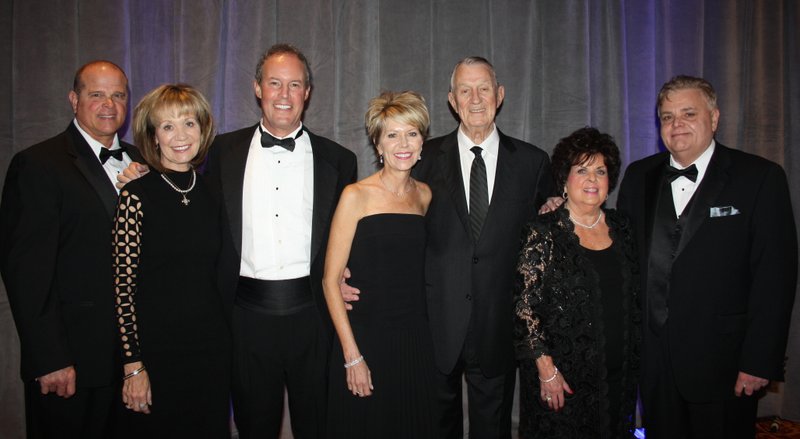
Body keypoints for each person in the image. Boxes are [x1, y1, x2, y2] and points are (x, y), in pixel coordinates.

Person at [344, 56, 552, 437]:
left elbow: (550, 234)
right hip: (431, 327)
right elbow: (384, 230)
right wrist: (344, 271)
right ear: (452, 101)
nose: (475, 99)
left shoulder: (533, 163)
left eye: (484, 89)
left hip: (497, 328)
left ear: (500, 95)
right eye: (465, 90)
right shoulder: (419, 160)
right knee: (434, 428)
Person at [616, 75, 797, 439]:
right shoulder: (639, 176)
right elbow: (621, 251)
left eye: (688, 113)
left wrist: (759, 360)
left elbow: (775, 279)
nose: (676, 124)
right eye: (667, 117)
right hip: (655, 364)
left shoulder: (760, 178)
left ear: (714, 118)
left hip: (725, 364)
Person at [0, 60, 141, 438]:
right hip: (72, 364)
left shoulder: (144, 162)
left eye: (118, 95)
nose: (108, 104)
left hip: (134, 365)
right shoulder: (38, 165)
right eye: (97, 94)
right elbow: (26, 271)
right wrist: (50, 358)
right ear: (74, 100)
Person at [110, 84, 231, 437]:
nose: (180, 136)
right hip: (157, 356)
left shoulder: (214, 192)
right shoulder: (136, 195)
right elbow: (122, 287)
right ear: (153, 135)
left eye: (189, 123)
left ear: (203, 128)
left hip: (212, 352)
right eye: (167, 126)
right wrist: (133, 366)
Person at [322, 91, 437, 438]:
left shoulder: (425, 196)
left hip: (416, 339)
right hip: (366, 336)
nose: (403, 143)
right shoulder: (355, 195)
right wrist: (352, 356)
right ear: (378, 144)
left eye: (412, 133)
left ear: (421, 143)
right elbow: (330, 282)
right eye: (392, 134)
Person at [514, 127, 640, 439]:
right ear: (564, 180)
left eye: (600, 171)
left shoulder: (623, 227)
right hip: (562, 379)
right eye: (581, 170)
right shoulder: (543, 231)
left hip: (618, 376)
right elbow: (523, 309)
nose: (592, 179)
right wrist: (546, 370)